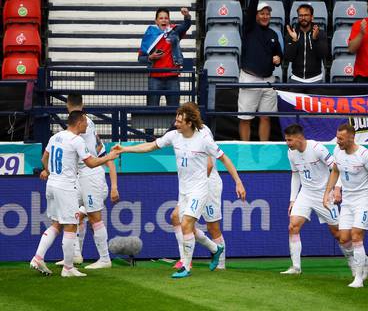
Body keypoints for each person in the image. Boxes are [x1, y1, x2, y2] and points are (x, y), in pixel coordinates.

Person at [113, 103, 246, 279]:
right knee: (184, 225)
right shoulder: (174, 136)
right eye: (176, 120)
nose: (176, 123)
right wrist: (125, 149)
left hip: (200, 189)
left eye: (179, 121)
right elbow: (151, 146)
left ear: (189, 123)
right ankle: (215, 249)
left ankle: (186, 267)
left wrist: (238, 182)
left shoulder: (204, 139)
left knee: (186, 224)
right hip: (183, 190)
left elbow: (224, 159)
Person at [30, 111, 119, 277]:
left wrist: (50, 172)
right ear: (78, 123)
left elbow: (44, 159)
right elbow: (91, 163)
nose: (87, 124)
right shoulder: (77, 140)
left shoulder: (55, 137)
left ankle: (38, 257)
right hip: (66, 187)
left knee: (56, 223)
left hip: (52, 185)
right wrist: (110, 156)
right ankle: (69, 268)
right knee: (71, 225)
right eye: (85, 121)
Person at [53, 94, 120, 269]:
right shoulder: (86, 122)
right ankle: (75, 255)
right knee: (73, 214)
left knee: (93, 216)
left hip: (90, 174)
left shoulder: (82, 124)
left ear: (67, 104)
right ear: (82, 103)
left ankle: (105, 259)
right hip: (80, 175)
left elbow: (92, 156)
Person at [323, 124, 368, 288]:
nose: (338, 142)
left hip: (364, 200)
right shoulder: (337, 152)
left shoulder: (365, 154)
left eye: (341, 139)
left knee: (356, 236)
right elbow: (335, 171)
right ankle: (367, 262)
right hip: (348, 202)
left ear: (351, 137)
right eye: (337, 138)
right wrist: (327, 192)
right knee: (343, 239)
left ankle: (359, 278)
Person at [170, 104, 226, 270]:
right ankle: (185, 260)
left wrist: (199, 188)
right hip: (195, 185)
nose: (178, 121)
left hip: (208, 184)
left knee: (212, 226)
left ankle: (221, 265)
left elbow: (209, 164)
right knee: (177, 218)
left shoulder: (203, 133)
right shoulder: (182, 134)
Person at [280, 124, 342, 275]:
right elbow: (295, 174)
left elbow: (336, 168)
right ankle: (296, 268)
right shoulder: (291, 153)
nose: (287, 143)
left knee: (339, 234)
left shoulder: (317, 148)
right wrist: (292, 199)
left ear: (299, 138)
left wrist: (336, 189)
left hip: (324, 195)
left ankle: (360, 264)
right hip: (305, 194)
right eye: (286, 140)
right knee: (293, 226)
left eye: (290, 140)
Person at [239, 0, 283, 141]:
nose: (265, 16)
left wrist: (279, 59)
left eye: (267, 13)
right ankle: (244, 150)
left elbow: (279, 55)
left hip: (268, 80)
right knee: (245, 118)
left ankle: (264, 148)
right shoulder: (249, 28)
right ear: (256, 15)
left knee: (266, 117)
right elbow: (250, 12)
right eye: (262, 13)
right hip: (250, 78)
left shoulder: (273, 33)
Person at [138, 7, 191, 107]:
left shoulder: (174, 31)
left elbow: (186, 26)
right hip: (155, 78)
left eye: (166, 18)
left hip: (172, 77)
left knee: (173, 110)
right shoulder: (150, 34)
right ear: (156, 21)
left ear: (169, 20)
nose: (164, 20)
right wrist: (151, 57)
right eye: (161, 18)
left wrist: (187, 16)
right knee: (152, 109)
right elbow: (140, 59)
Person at [284, 4, 328, 93]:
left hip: (315, 80)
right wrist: (294, 40)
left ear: (312, 17)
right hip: (296, 80)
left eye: (306, 15)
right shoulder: (292, 34)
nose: (303, 18)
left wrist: (315, 39)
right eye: (300, 15)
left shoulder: (320, 33)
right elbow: (288, 57)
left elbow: (323, 54)